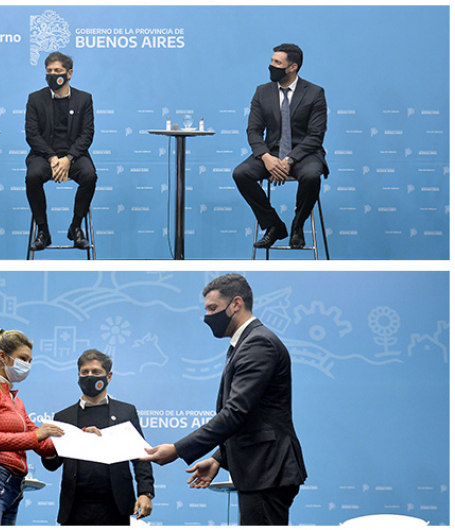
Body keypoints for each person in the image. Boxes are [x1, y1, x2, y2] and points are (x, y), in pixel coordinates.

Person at [143, 274, 306, 526]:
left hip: (267, 471)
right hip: (261, 471)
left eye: (213, 308)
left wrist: (177, 450)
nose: (207, 317)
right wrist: (219, 459)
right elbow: (252, 417)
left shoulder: (258, 343)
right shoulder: (246, 343)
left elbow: (235, 413)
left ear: (236, 304)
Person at [0, 329, 64, 525]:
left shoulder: (16, 401)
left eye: (30, 361)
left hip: (13, 488)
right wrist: (36, 437)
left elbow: (43, 446)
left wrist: (82, 436)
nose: (27, 365)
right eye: (23, 358)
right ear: (2, 356)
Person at [42, 349, 155, 525]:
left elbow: (141, 457)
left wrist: (145, 493)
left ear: (108, 376)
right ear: (78, 375)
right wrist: (45, 447)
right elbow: (52, 464)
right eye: (84, 372)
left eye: (96, 372)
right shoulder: (63, 417)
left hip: (116, 505)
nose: (89, 376)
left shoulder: (126, 412)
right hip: (74, 507)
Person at [233, 44, 328, 250]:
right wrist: (266, 157)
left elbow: (315, 136)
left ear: (292, 67)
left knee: (312, 176)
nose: (271, 66)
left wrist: (290, 160)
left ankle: (298, 225)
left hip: (304, 153)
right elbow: (254, 131)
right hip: (272, 152)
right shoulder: (262, 92)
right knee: (241, 173)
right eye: (272, 61)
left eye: (277, 63)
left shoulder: (314, 93)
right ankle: (274, 225)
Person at [25, 51, 97, 252]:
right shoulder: (35, 99)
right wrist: (52, 157)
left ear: (69, 73)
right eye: (49, 71)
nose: (52, 74)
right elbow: (32, 135)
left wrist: (69, 158)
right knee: (33, 176)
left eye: (57, 70)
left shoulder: (84, 99)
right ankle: (43, 231)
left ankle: (75, 227)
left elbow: (87, 134)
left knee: (90, 176)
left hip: (75, 156)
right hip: (43, 156)